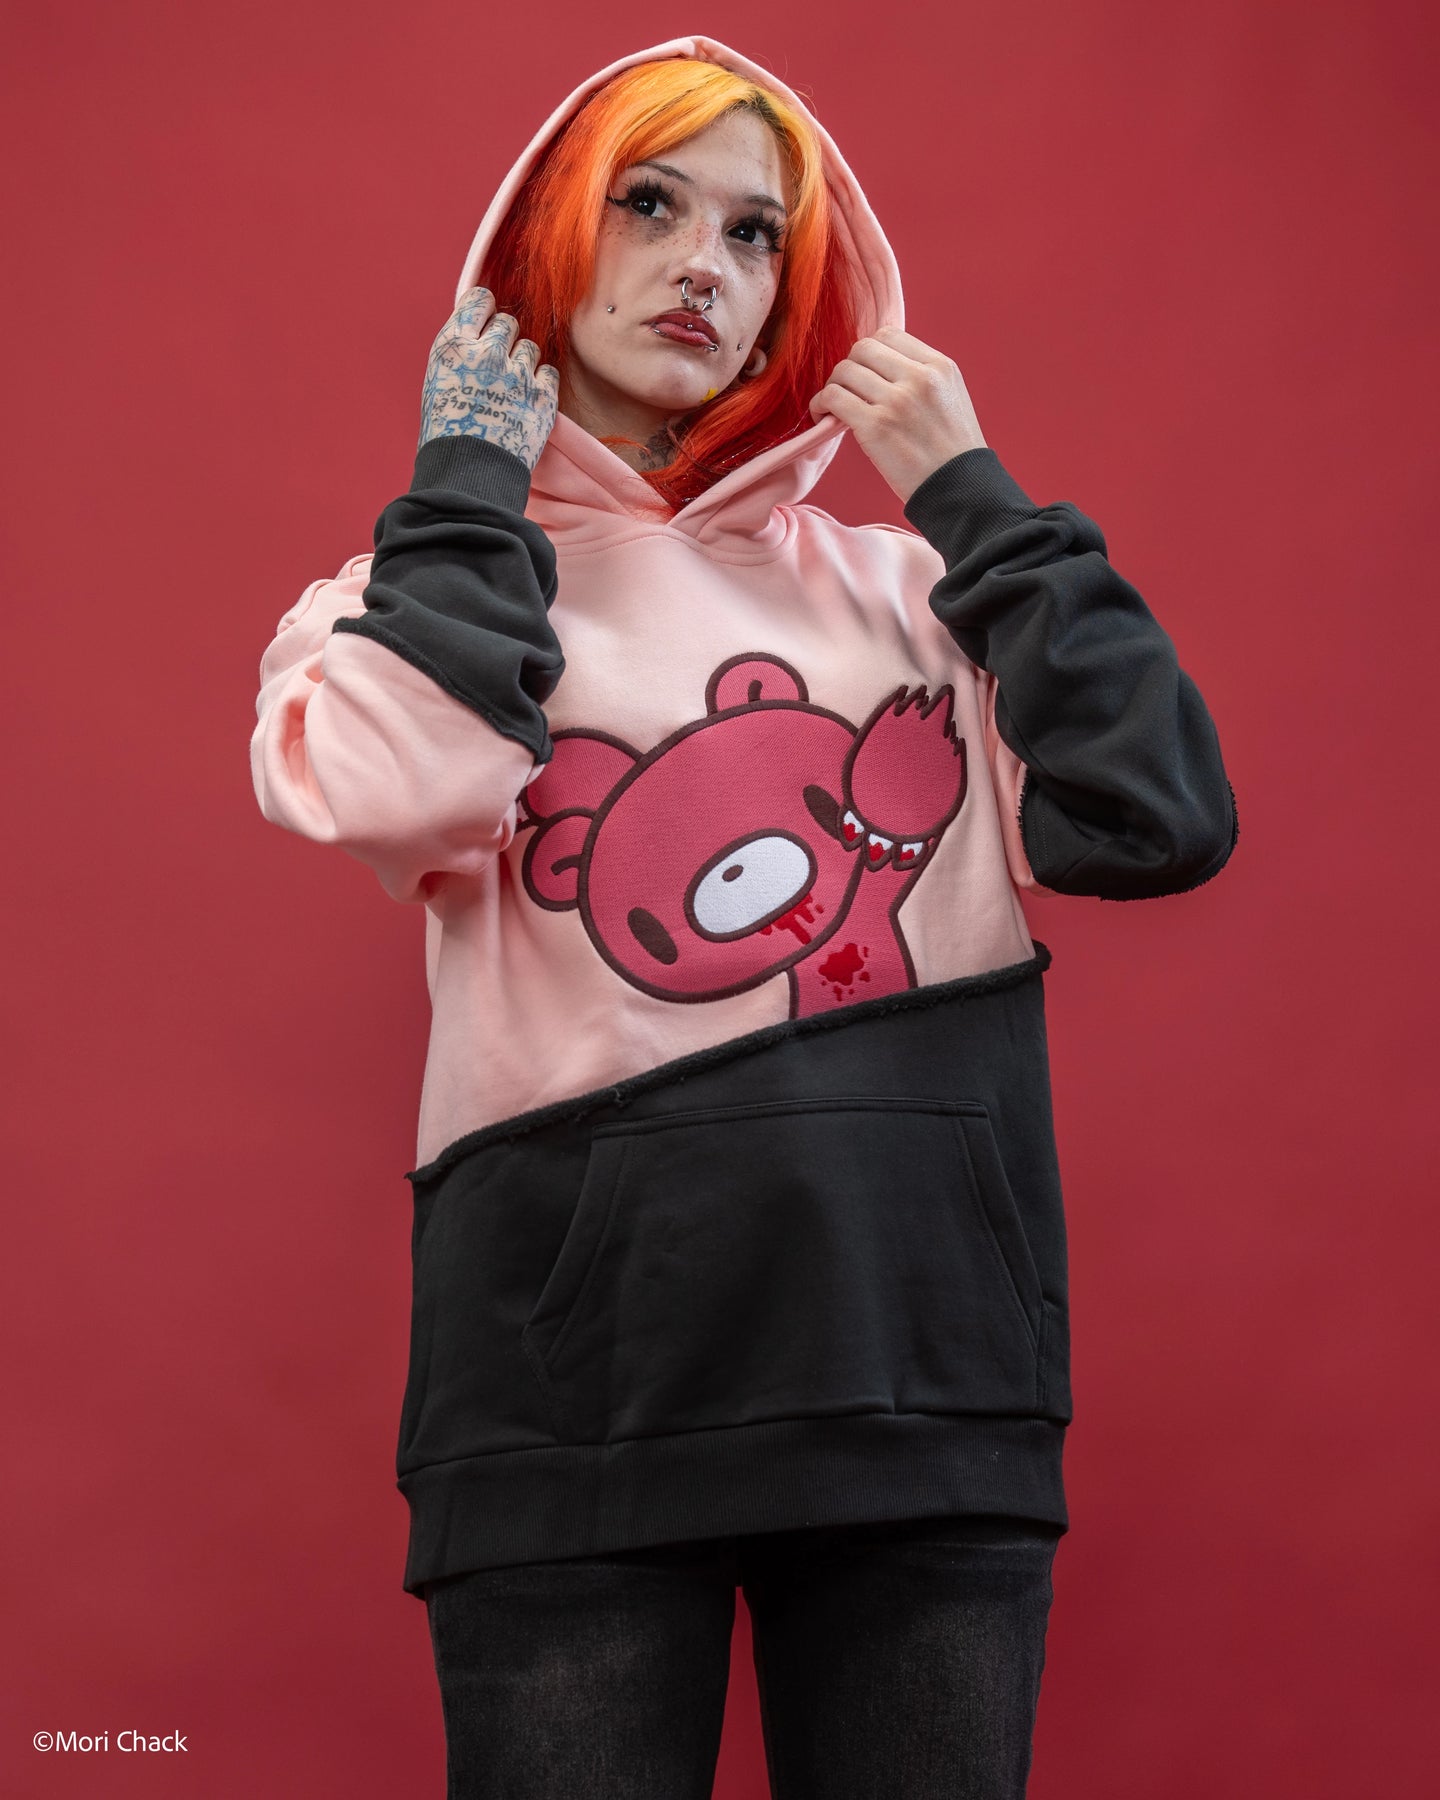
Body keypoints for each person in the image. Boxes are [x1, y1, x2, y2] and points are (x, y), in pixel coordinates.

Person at [250, 35, 1237, 1800]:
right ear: (550, 240)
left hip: (923, 1387)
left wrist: (974, 497)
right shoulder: (395, 605)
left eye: (753, 231)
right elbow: (408, 791)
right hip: (573, 1421)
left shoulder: (918, 591)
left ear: (800, 288)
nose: (702, 262)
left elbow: (1156, 817)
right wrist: (469, 487)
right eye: (647, 206)